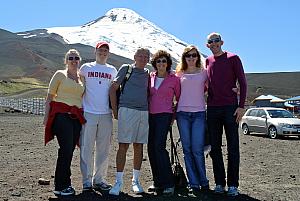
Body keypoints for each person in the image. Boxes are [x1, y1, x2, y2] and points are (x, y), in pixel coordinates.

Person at [205, 32, 247, 196]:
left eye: (216, 40)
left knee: (233, 147)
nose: (214, 43)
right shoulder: (207, 61)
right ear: (207, 45)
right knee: (215, 148)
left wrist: (241, 106)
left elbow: (242, 82)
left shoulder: (233, 58)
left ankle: (233, 185)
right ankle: (219, 183)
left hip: (230, 108)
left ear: (222, 42)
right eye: (211, 41)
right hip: (213, 109)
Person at [109, 48, 150, 196]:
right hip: (126, 110)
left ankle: (135, 181)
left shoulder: (148, 74)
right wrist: (115, 110)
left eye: (146, 56)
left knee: (139, 145)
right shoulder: (126, 69)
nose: (143, 58)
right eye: (140, 55)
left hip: (143, 112)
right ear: (134, 56)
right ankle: (118, 182)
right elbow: (113, 88)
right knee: (123, 145)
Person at [43, 49, 85, 196]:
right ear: (66, 60)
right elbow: (50, 97)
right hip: (62, 117)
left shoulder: (81, 78)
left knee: (70, 150)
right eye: (71, 58)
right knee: (65, 150)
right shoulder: (60, 74)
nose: (74, 60)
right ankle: (61, 186)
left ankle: (64, 184)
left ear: (80, 60)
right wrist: (46, 117)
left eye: (76, 58)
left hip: (76, 118)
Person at [79, 41, 117, 192]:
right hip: (88, 112)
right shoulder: (85, 68)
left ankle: (99, 179)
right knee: (86, 147)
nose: (103, 53)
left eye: (105, 51)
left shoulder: (112, 70)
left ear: (108, 53)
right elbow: (79, 86)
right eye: (100, 50)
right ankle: (86, 180)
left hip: (105, 113)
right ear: (95, 51)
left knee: (103, 148)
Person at [175, 45, 210, 195]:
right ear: (184, 58)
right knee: (187, 150)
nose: (191, 58)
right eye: (188, 56)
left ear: (197, 57)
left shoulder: (204, 73)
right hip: (182, 114)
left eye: (194, 55)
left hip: (199, 114)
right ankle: (193, 183)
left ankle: (204, 181)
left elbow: (214, 88)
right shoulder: (178, 74)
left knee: (197, 150)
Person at [147, 50, 181, 195]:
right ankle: (157, 182)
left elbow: (179, 98)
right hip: (150, 116)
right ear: (155, 63)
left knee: (159, 147)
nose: (161, 63)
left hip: (164, 115)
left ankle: (169, 183)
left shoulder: (174, 79)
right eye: (159, 61)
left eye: (164, 61)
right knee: (150, 148)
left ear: (168, 63)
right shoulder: (150, 77)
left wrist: (173, 117)